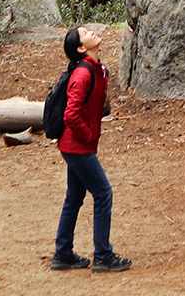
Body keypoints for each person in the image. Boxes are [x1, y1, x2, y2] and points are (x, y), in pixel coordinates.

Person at [51, 24, 131, 273]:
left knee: (74, 197)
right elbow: (71, 114)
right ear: (81, 48)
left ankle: (63, 255)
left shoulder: (94, 69)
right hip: (77, 146)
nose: (92, 32)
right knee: (103, 193)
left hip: (74, 145)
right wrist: (88, 137)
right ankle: (103, 256)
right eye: (85, 33)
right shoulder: (83, 73)